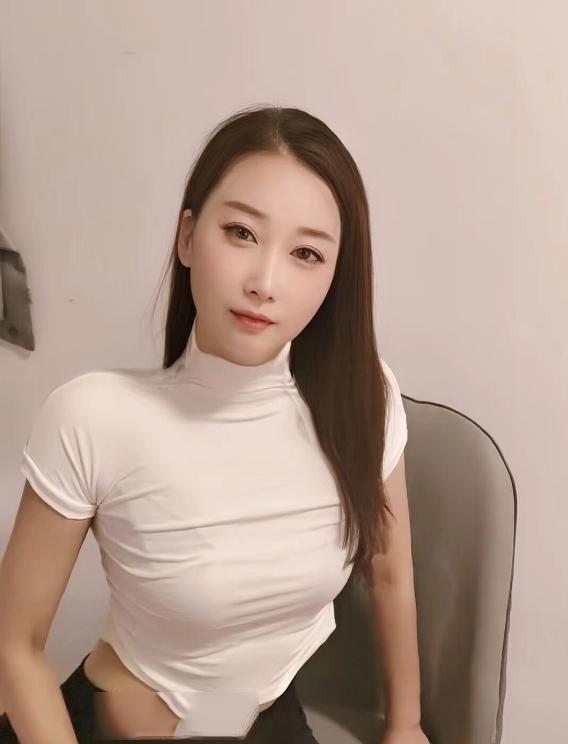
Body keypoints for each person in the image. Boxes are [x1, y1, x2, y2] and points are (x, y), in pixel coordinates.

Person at [0, 105, 422, 743]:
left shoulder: (365, 398)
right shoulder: (94, 417)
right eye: (242, 233)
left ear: (335, 276)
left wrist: (406, 725)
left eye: (306, 253)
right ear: (187, 237)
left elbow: (390, 572)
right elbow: (16, 644)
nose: (264, 282)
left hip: (263, 720)